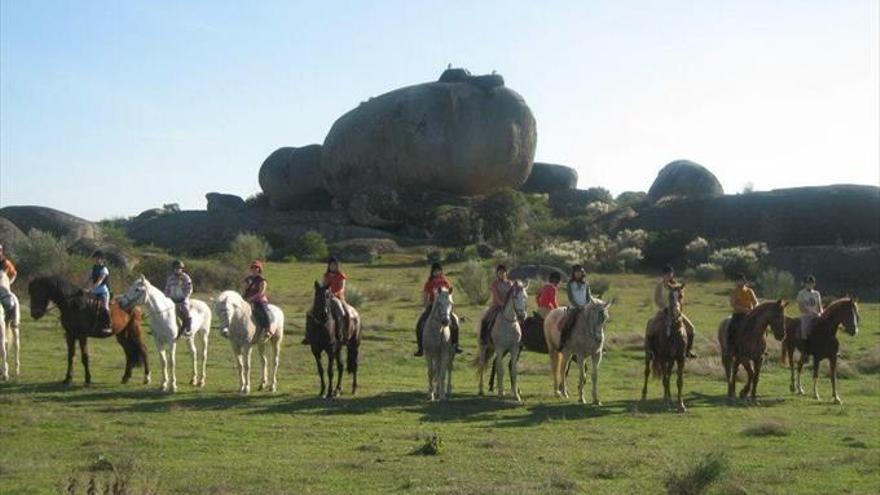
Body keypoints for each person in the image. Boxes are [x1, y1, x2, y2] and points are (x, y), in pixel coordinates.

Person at [414, 262, 461, 356]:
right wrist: (427, 305)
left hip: (444, 307)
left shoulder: (445, 282)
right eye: (435, 271)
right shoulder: (429, 283)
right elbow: (425, 295)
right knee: (420, 323)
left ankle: (455, 345)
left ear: (441, 271)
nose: (437, 272)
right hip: (433, 306)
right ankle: (420, 348)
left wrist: (450, 306)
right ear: (432, 272)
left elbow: (449, 295)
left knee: (455, 321)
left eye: (439, 270)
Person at [651, 265, 697, 358]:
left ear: (672, 274)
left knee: (691, 328)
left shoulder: (677, 286)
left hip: (676, 311)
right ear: (663, 275)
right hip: (663, 311)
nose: (668, 276)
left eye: (670, 274)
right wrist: (664, 307)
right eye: (666, 274)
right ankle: (651, 351)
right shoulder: (659, 286)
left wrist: (678, 308)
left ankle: (688, 350)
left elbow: (681, 299)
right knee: (652, 326)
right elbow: (656, 299)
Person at [317, 257, 351, 344]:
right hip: (326, 298)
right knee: (311, 311)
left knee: (344, 312)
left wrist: (335, 294)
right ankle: (310, 334)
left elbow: (342, 288)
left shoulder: (341, 275)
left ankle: (345, 333)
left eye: (334, 265)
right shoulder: (326, 275)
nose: (332, 267)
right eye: (331, 265)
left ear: (337, 266)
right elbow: (323, 285)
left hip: (338, 297)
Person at [479, 265, 514, 345]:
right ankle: (483, 338)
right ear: (497, 274)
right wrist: (501, 304)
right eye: (500, 273)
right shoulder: (494, 284)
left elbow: (512, 295)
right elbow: (495, 296)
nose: (502, 274)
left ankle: (519, 339)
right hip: (496, 306)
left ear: (506, 273)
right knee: (485, 319)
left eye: (503, 272)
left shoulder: (510, 284)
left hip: (508, 307)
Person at [558, 265, 591, 350]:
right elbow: (570, 297)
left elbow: (588, 296)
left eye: (579, 272)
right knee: (568, 324)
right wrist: (577, 306)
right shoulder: (570, 284)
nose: (578, 274)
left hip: (585, 308)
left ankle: (597, 343)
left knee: (596, 321)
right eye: (576, 273)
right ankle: (563, 342)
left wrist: (586, 305)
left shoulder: (586, 284)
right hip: (574, 308)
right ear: (573, 274)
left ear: (582, 273)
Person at [726, 273, 759, 354]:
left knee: (760, 326)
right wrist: (745, 310)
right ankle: (730, 348)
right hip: (738, 315)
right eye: (739, 281)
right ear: (736, 282)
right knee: (732, 328)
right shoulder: (734, 292)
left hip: (750, 315)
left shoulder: (750, 291)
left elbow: (756, 302)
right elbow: (733, 304)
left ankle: (760, 347)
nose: (740, 282)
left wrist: (755, 308)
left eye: (742, 281)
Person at [164, 259, 194, 339]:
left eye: (179, 268)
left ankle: (188, 327)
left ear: (182, 269)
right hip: (172, 299)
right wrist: (166, 298)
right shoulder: (170, 278)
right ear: (173, 269)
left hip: (182, 298)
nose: (177, 270)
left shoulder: (185, 277)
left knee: (185, 309)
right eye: (176, 268)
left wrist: (185, 297)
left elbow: (189, 288)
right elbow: (167, 289)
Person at [243, 260, 272, 338]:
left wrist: (252, 298)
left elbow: (261, 293)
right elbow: (245, 290)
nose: (254, 268)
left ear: (259, 269)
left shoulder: (262, 280)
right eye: (252, 267)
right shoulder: (248, 279)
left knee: (263, 312)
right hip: (247, 299)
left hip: (259, 300)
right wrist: (243, 298)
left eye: (256, 267)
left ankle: (267, 329)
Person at [87, 250, 113, 336]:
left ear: (102, 260)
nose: (95, 260)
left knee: (105, 307)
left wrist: (91, 288)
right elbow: (88, 278)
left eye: (97, 258)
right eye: (95, 258)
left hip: (103, 291)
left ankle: (109, 325)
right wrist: (83, 287)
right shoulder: (93, 268)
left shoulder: (104, 269)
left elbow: (99, 281)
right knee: (88, 305)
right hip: (94, 291)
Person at [796, 275, 822, 343]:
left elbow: (819, 306)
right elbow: (801, 308)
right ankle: (804, 346)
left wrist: (821, 313)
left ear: (814, 284)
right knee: (805, 329)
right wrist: (812, 312)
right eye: (808, 283)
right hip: (806, 315)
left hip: (816, 315)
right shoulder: (801, 293)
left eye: (811, 283)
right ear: (805, 284)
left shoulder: (817, 294)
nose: (809, 285)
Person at [0, 243, 18, 323]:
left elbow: (14, 273)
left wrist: (8, 284)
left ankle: (13, 322)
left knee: (12, 302)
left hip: (3, 289)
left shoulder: (6, 263)